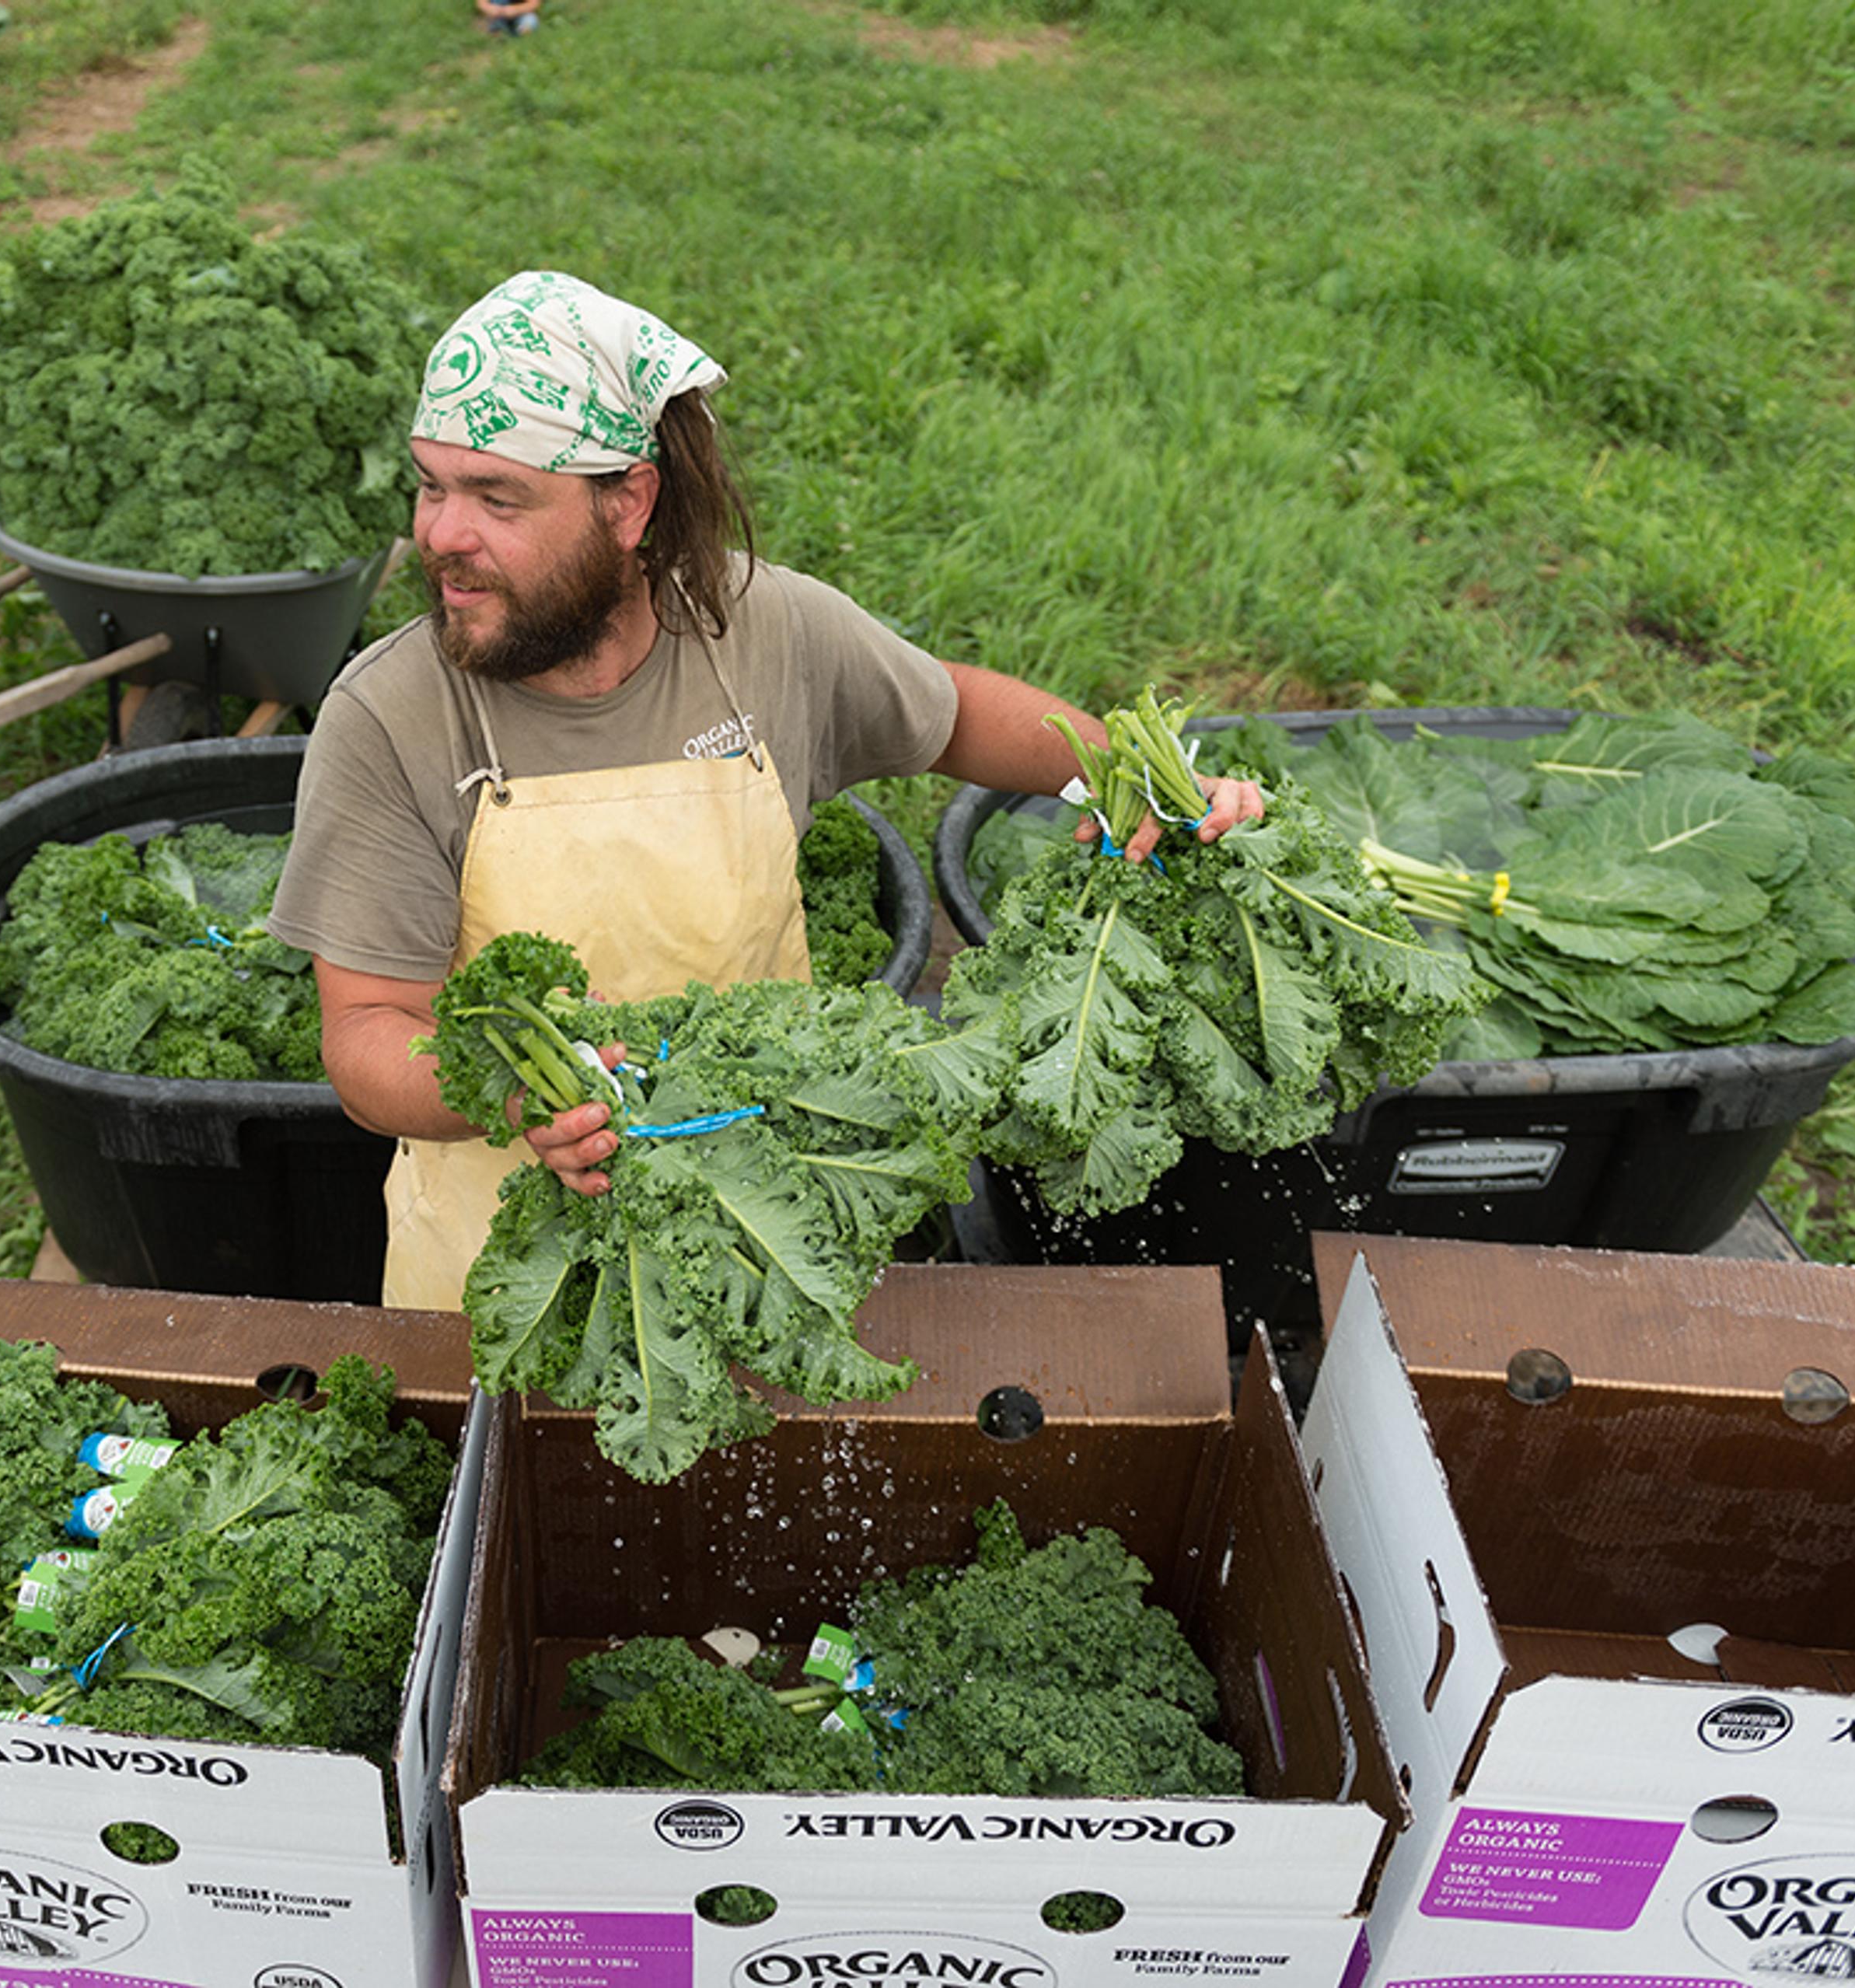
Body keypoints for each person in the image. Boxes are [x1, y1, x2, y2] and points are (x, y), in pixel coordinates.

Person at [264, 271, 1262, 1311]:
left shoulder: (761, 633)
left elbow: (955, 713)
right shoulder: (390, 717)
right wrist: (515, 1093)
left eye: (496, 498)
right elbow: (367, 1029)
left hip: (773, 1225)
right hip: (509, 1274)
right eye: (432, 486)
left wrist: (1129, 778)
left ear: (629, 504)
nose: (440, 535)